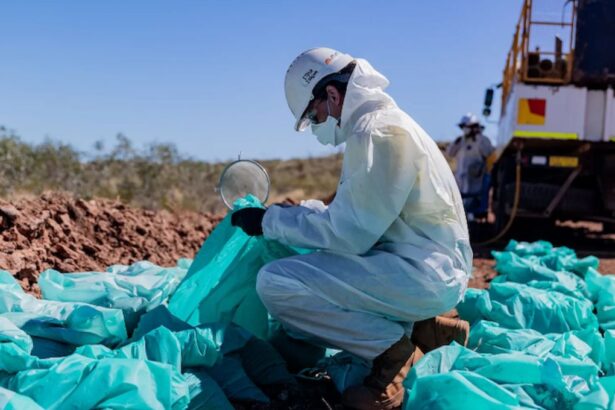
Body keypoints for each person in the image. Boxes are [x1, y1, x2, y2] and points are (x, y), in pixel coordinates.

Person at [231, 48, 472, 410]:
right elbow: (357, 212)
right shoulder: (382, 125)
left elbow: (349, 233)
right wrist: (294, 214)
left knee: (276, 283)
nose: (315, 124)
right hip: (421, 268)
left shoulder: (378, 132)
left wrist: (269, 222)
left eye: (313, 115)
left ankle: (392, 352)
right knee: (316, 268)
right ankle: (425, 326)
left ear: (331, 94)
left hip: (423, 275)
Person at [446, 113, 495, 221]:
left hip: (477, 180)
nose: (464, 129)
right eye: (463, 127)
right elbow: (450, 153)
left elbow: (489, 154)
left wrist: (477, 139)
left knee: (474, 206)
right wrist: (457, 142)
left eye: (466, 127)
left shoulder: (482, 140)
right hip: (461, 180)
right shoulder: (460, 140)